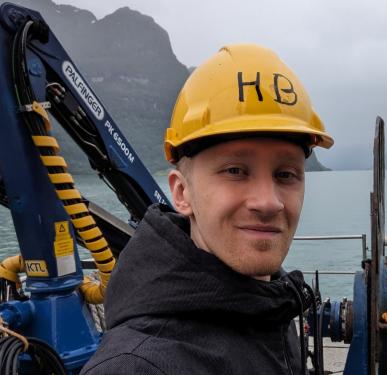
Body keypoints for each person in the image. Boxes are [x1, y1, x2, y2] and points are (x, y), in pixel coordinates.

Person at [81, 43, 334, 375]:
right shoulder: (135, 367)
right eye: (235, 171)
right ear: (182, 192)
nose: (269, 202)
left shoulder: (272, 308)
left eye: (285, 175)